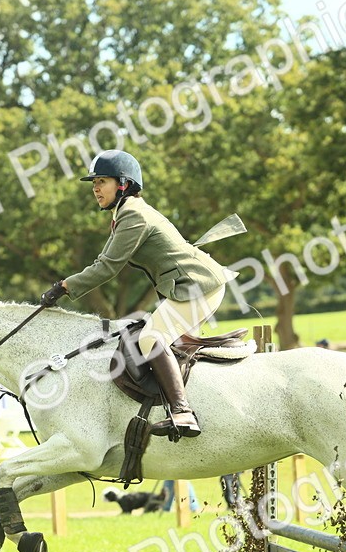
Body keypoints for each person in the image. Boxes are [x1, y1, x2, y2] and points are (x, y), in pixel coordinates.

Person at [40, 150, 230, 438]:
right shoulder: (125, 213)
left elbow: (106, 267)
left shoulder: (133, 215)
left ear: (123, 184)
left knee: (151, 338)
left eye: (102, 182)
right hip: (188, 286)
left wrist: (65, 287)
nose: (95, 189)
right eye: (94, 183)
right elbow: (104, 262)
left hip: (198, 286)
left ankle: (182, 412)